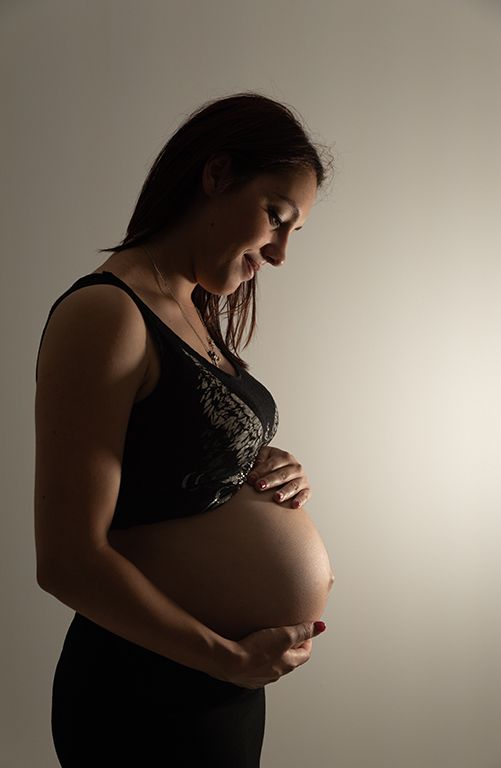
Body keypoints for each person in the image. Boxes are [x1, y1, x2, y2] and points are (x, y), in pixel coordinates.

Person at [34, 91, 334, 767]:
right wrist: (224, 657)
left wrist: (269, 468)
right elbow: (67, 560)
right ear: (216, 174)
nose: (280, 253)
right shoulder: (107, 315)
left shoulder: (194, 316)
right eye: (274, 218)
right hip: (144, 690)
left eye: (294, 233)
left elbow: (170, 469)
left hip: (220, 686)